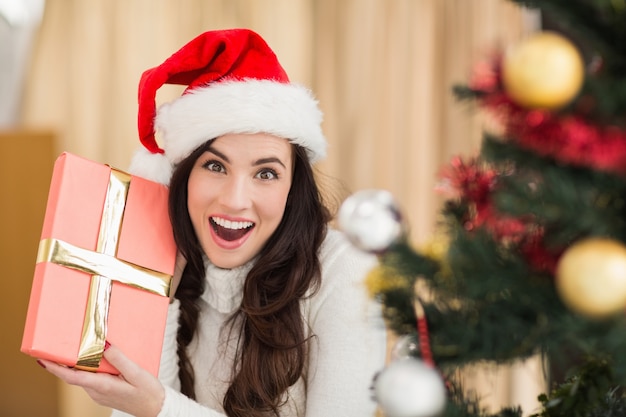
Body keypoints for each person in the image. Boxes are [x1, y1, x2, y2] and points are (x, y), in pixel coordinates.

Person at [38, 28, 387, 417]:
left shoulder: (346, 270)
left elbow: (155, 408)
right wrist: (159, 297)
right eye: (215, 166)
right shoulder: (163, 258)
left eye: (266, 173)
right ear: (182, 177)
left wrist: (158, 407)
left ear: (293, 187)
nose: (235, 201)